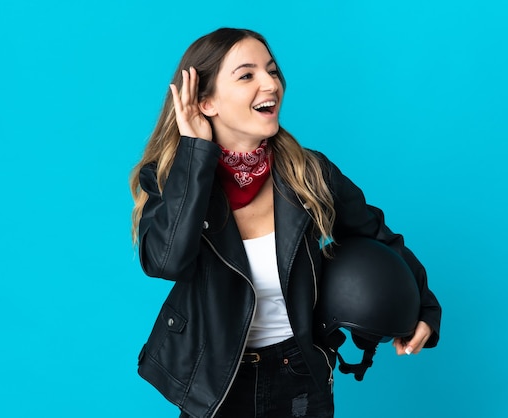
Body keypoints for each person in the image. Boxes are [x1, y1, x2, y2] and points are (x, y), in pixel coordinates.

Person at [129, 27, 441, 418]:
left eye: (272, 71)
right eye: (247, 75)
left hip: (300, 374)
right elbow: (165, 262)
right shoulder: (171, 179)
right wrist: (195, 155)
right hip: (216, 380)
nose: (270, 84)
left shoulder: (309, 172)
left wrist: (425, 308)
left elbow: (375, 235)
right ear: (205, 102)